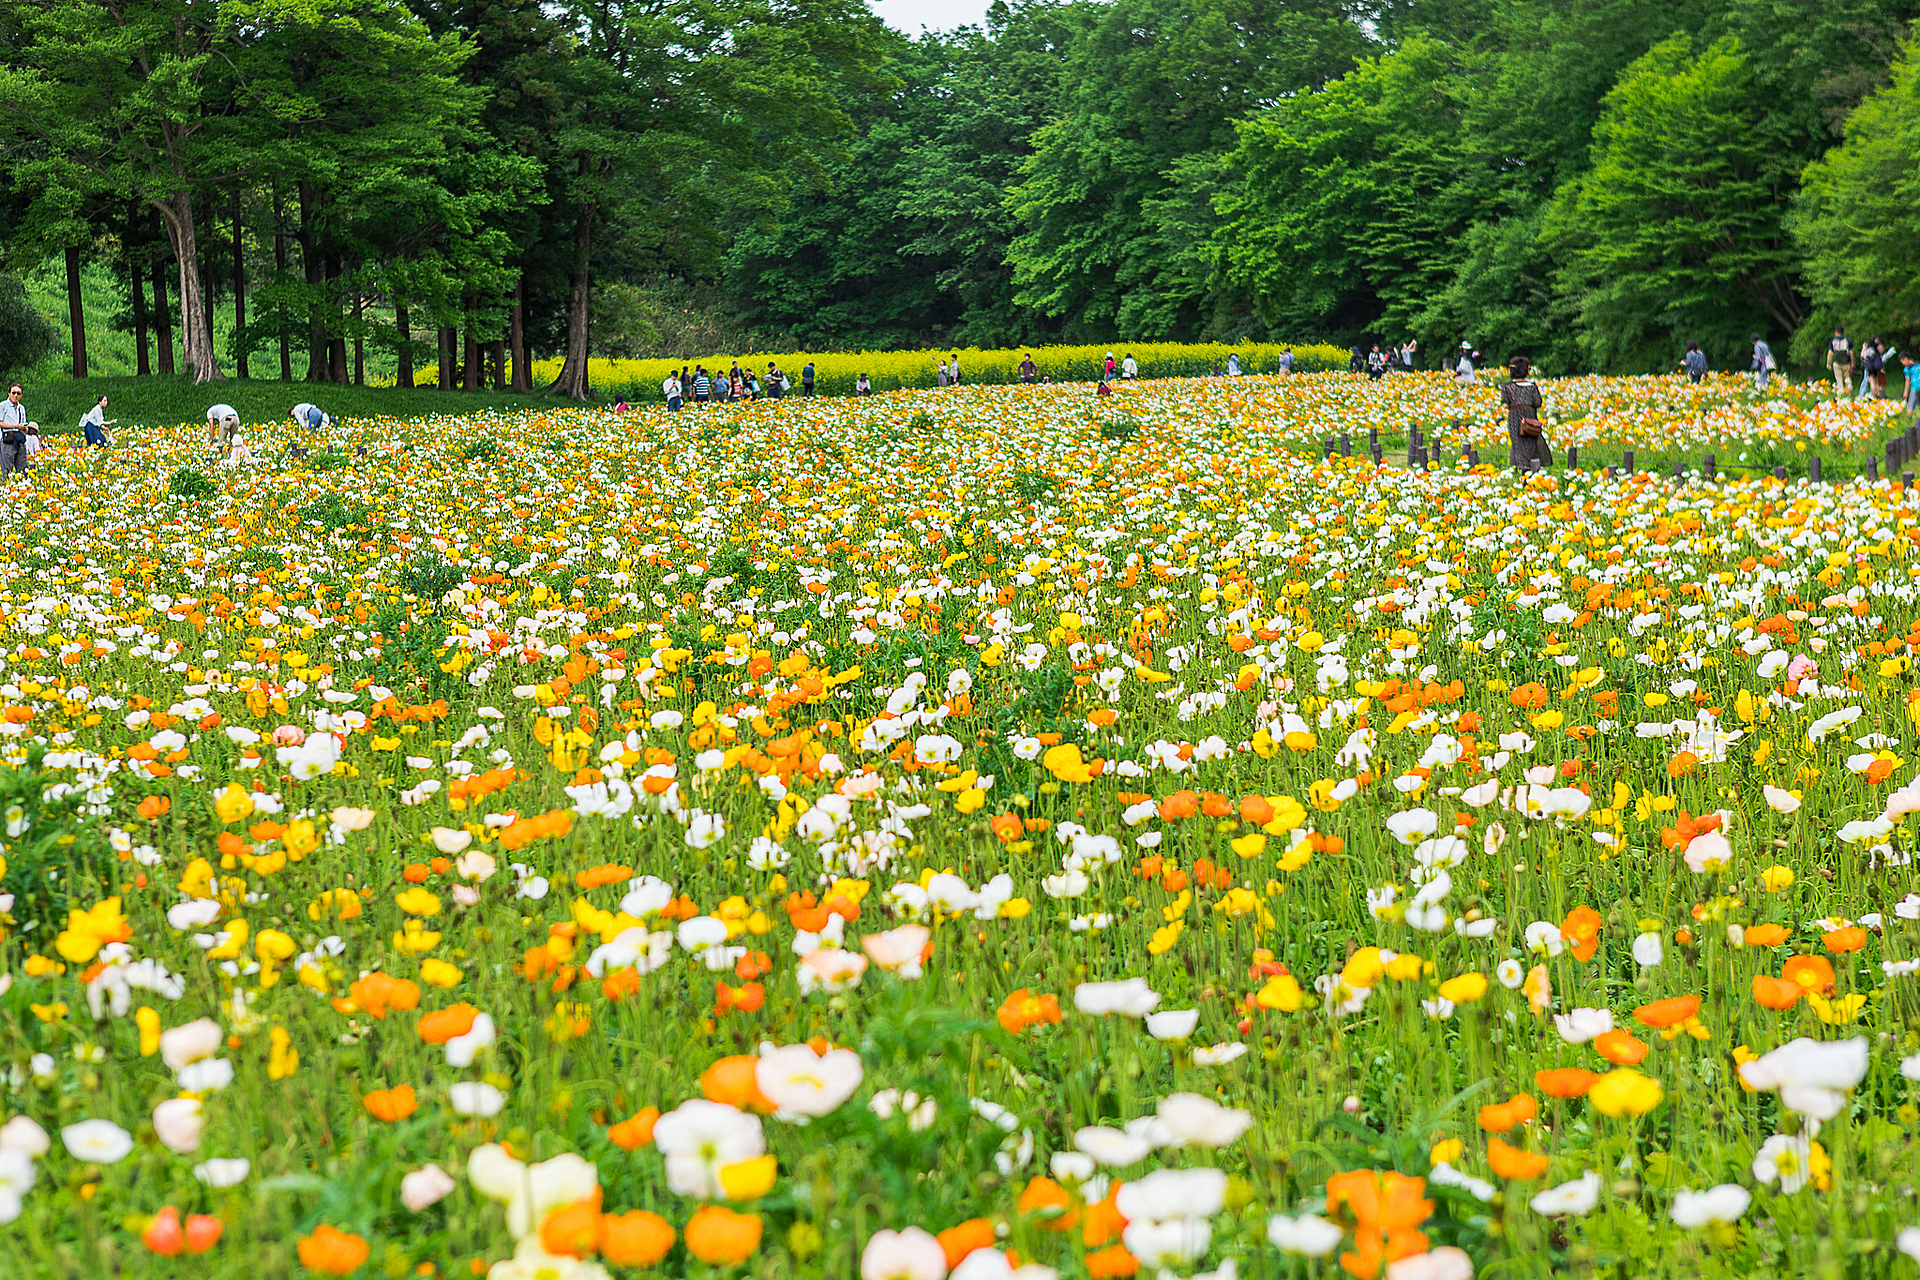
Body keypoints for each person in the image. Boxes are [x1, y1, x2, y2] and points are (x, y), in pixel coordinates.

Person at [1500, 356, 1550, 470]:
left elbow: (1505, 404)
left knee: (1518, 444)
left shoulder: (1508, 387)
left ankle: (1522, 468)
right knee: (1531, 442)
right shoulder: (1532, 386)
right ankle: (1533, 467)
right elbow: (1538, 402)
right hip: (1530, 417)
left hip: (1515, 418)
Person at [1, 382, 28, 475]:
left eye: (18, 393)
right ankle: (6, 487)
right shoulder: (3, 406)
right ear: (9, 394)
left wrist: (25, 428)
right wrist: (15, 426)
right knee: (7, 470)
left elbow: (24, 425)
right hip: (8, 439)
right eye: (13, 393)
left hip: (20, 439)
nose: (16, 395)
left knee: (23, 469)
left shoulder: (22, 408)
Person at [1827, 327, 1854, 395]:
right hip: (1846, 362)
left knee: (1839, 379)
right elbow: (1851, 353)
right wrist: (1852, 363)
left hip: (1837, 362)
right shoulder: (1847, 341)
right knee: (1847, 377)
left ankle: (1841, 392)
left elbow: (1830, 352)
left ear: (1836, 332)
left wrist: (1828, 363)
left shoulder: (1833, 341)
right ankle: (1849, 390)